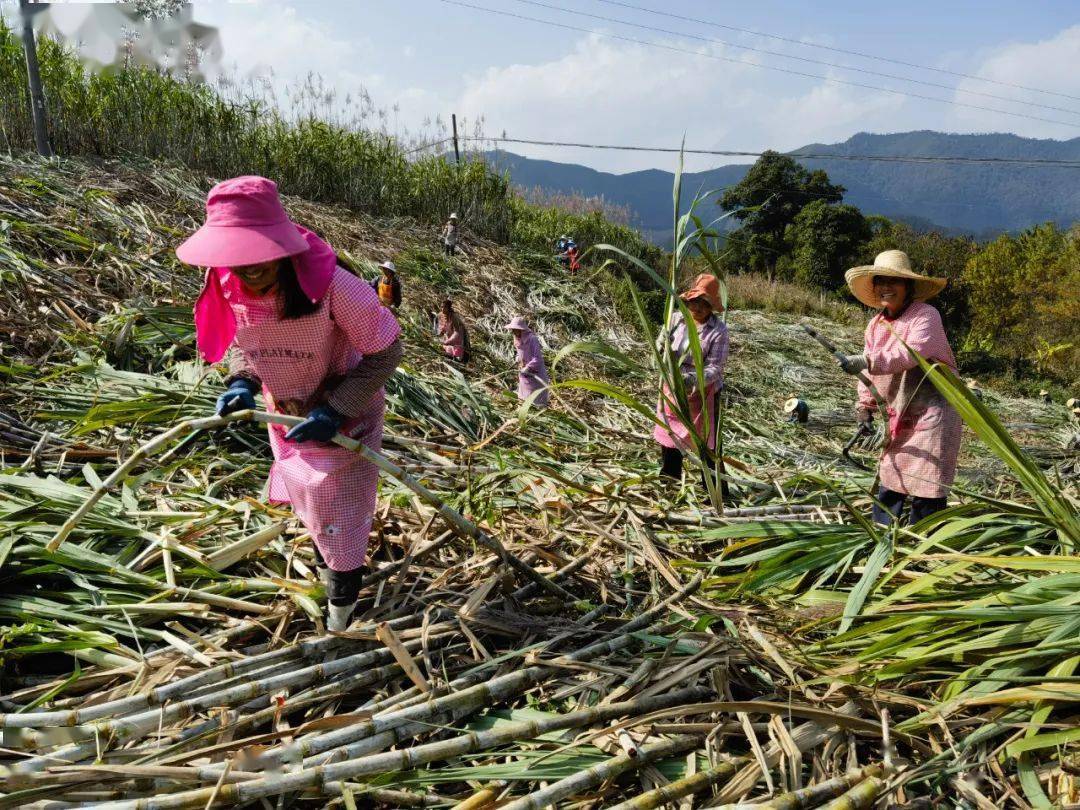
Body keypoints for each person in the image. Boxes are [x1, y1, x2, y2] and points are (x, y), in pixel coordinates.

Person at [177, 176, 402, 632]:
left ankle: (340, 618)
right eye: (236, 256)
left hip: (344, 418)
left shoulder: (334, 286)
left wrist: (335, 409)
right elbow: (244, 342)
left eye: (257, 254)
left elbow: (387, 350)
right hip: (285, 413)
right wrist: (242, 380)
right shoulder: (224, 284)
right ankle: (330, 584)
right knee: (311, 505)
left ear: (280, 242)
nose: (247, 268)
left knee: (339, 512)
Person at [841, 249, 962, 526]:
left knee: (927, 479)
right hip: (898, 409)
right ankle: (882, 534)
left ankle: (924, 543)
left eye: (893, 281)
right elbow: (870, 376)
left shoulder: (925, 316)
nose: (886, 287)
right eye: (880, 280)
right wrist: (865, 407)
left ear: (908, 286)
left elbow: (909, 354)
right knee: (892, 471)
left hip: (933, 411)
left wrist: (866, 360)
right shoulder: (875, 325)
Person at [653, 274, 730, 495]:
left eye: (705, 304)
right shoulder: (676, 319)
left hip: (703, 395)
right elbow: (661, 351)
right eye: (695, 302)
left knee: (708, 445)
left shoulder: (718, 331)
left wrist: (691, 379)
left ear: (712, 307)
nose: (698, 308)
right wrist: (661, 344)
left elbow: (715, 368)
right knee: (670, 438)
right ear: (688, 301)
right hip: (673, 389)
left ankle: (716, 493)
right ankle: (669, 485)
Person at [505, 316, 550, 407]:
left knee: (536, 400)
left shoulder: (532, 339)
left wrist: (528, 367)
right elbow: (520, 352)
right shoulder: (517, 339)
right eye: (512, 329)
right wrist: (518, 357)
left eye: (515, 329)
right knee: (524, 397)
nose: (513, 332)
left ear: (522, 329)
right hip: (524, 373)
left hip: (536, 373)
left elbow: (537, 358)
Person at [438, 298, 469, 364]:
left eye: (445, 307)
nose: (442, 309)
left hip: (458, 341)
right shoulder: (441, 315)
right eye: (442, 307)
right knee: (448, 355)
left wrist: (448, 341)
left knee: (457, 358)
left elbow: (457, 333)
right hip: (449, 340)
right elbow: (443, 327)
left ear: (449, 308)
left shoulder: (454, 317)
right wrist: (440, 334)